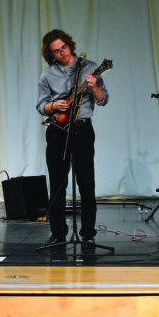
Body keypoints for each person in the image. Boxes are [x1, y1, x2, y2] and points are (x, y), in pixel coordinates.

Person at [36, 29, 109, 245]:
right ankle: (58, 232)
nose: (62, 54)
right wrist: (53, 105)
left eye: (64, 48)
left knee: (86, 182)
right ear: (51, 54)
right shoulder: (47, 74)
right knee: (58, 183)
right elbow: (40, 105)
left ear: (70, 45)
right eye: (56, 52)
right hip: (58, 132)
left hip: (82, 130)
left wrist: (94, 86)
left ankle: (87, 233)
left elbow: (103, 99)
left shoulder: (90, 67)